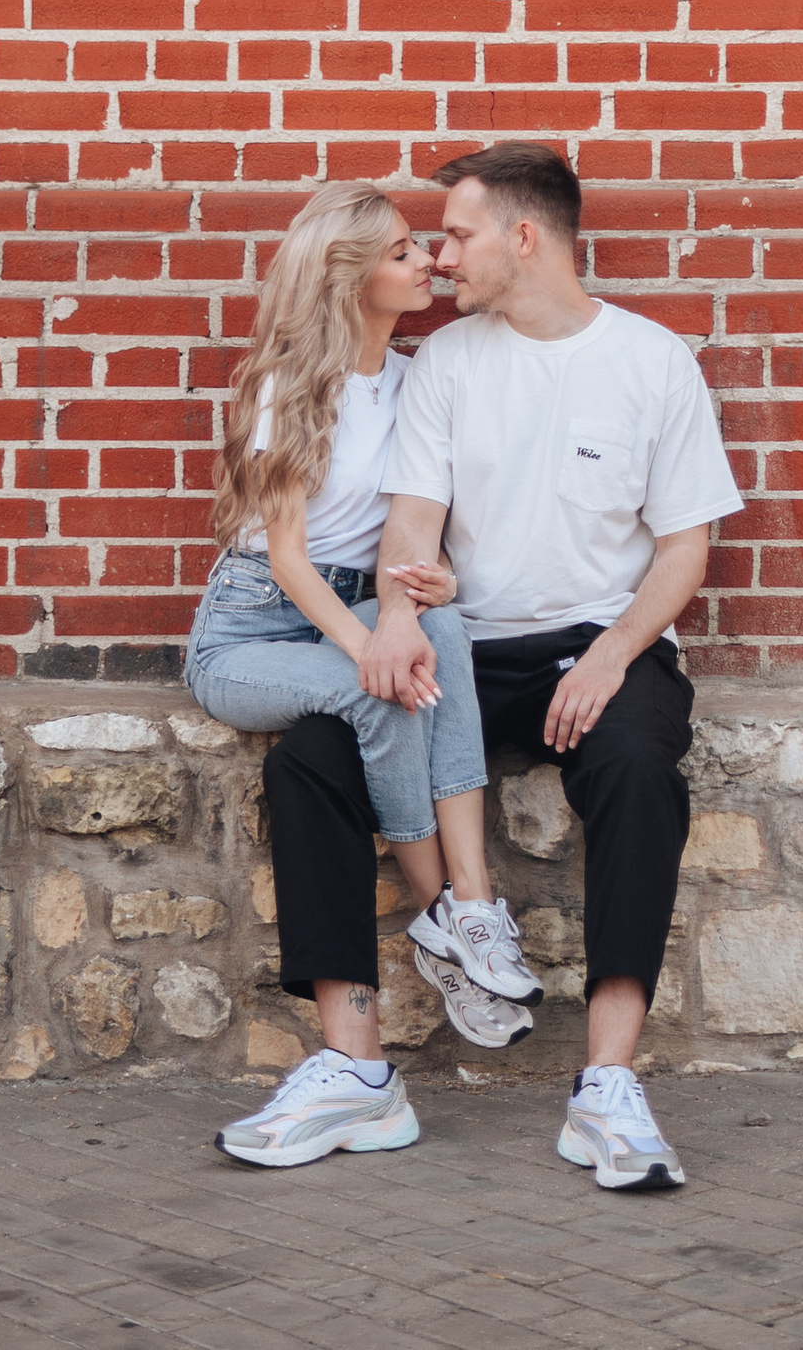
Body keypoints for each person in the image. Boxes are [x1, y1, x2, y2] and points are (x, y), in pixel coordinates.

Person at [371, 141, 743, 1195]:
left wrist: (615, 655)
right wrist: (398, 616)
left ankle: (608, 1088)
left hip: (602, 643)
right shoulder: (447, 361)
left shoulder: (649, 359)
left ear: (523, 237)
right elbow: (413, 520)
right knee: (317, 748)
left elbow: (683, 549)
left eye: (457, 233)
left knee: (636, 773)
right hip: (471, 645)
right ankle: (360, 1055)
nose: (442, 258)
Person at [185, 180, 544, 1165]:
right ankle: (441, 922)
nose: (425, 259)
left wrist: (419, 596)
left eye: (421, 244)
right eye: (400, 252)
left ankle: (471, 908)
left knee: (451, 634)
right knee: (374, 685)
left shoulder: (418, 376)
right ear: (349, 278)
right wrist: (370, 643)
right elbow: (291, 560)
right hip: (254, 626)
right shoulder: (285, 385)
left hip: (362, 599)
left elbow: (414, 524)